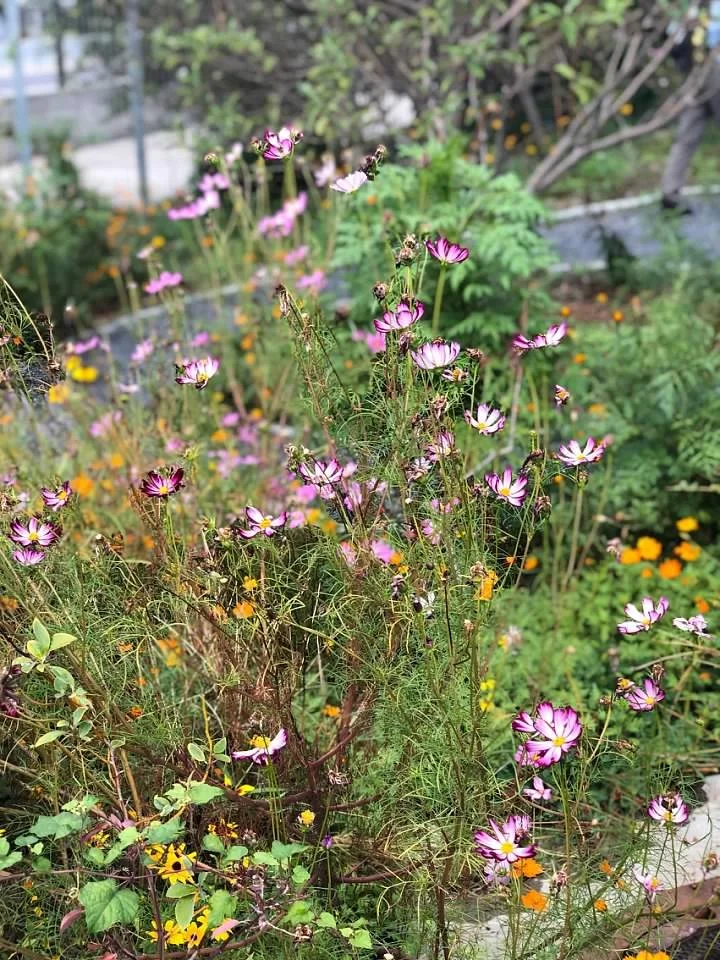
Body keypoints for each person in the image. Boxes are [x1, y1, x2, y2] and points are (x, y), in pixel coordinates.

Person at [661, 1, 720, 212]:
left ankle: (670, 192)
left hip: (695, 72)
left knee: (687, 133)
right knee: (687, 133)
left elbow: (672, 35)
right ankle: (670, 193)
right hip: (709, 70)